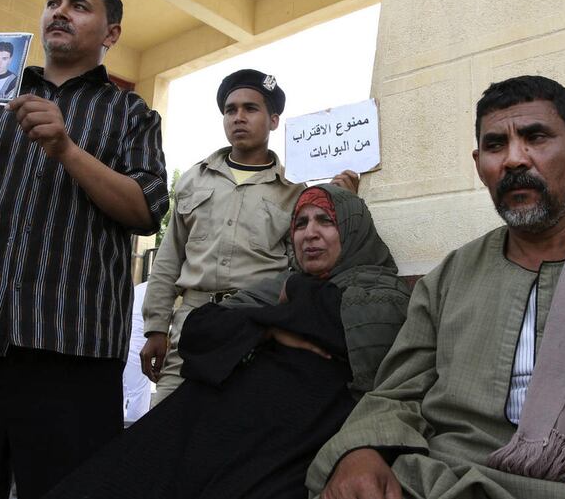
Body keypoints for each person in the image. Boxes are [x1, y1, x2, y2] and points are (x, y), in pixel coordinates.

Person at [308, 75, 565, 499]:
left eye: (535, 137)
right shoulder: (450, 277)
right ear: (479, 164)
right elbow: (396, 394)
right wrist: (360, 451)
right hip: (440, 481)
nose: (514, 160)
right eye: (496, 145)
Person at [0, 0, 168, 499]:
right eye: (54, 1)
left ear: (111, 34)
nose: (60, 10)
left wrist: (67, 151)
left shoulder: (130, 114)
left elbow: (146, 209)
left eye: (79, 6)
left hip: (70, 348)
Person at [45, 184, 411, 499]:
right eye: (300, 223)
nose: (309, 234)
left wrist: (283, 302)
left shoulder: (382, 291)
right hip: (209, 421)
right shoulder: (277, 286)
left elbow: (332, 322)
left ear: (353, 229)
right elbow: (199, 329)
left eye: (325, 221)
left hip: (285, 442)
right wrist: (270, 329)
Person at [140, 68, 359, 405]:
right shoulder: (194, 180)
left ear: (273, 120)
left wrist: (344, 202)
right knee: (161, 427)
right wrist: (156, 327)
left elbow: (304, 269)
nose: (238, 117)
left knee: (237, 430)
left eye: (250, 109)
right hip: (193, 325)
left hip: (258, 325)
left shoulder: (295, 190)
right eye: (231, 110)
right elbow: (170, 259)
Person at [123, 281, 153, 424]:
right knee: (139, 391)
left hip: (125, 338)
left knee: (123, 387)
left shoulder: (140, 288)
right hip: (138, 341)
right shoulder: (157, 289)